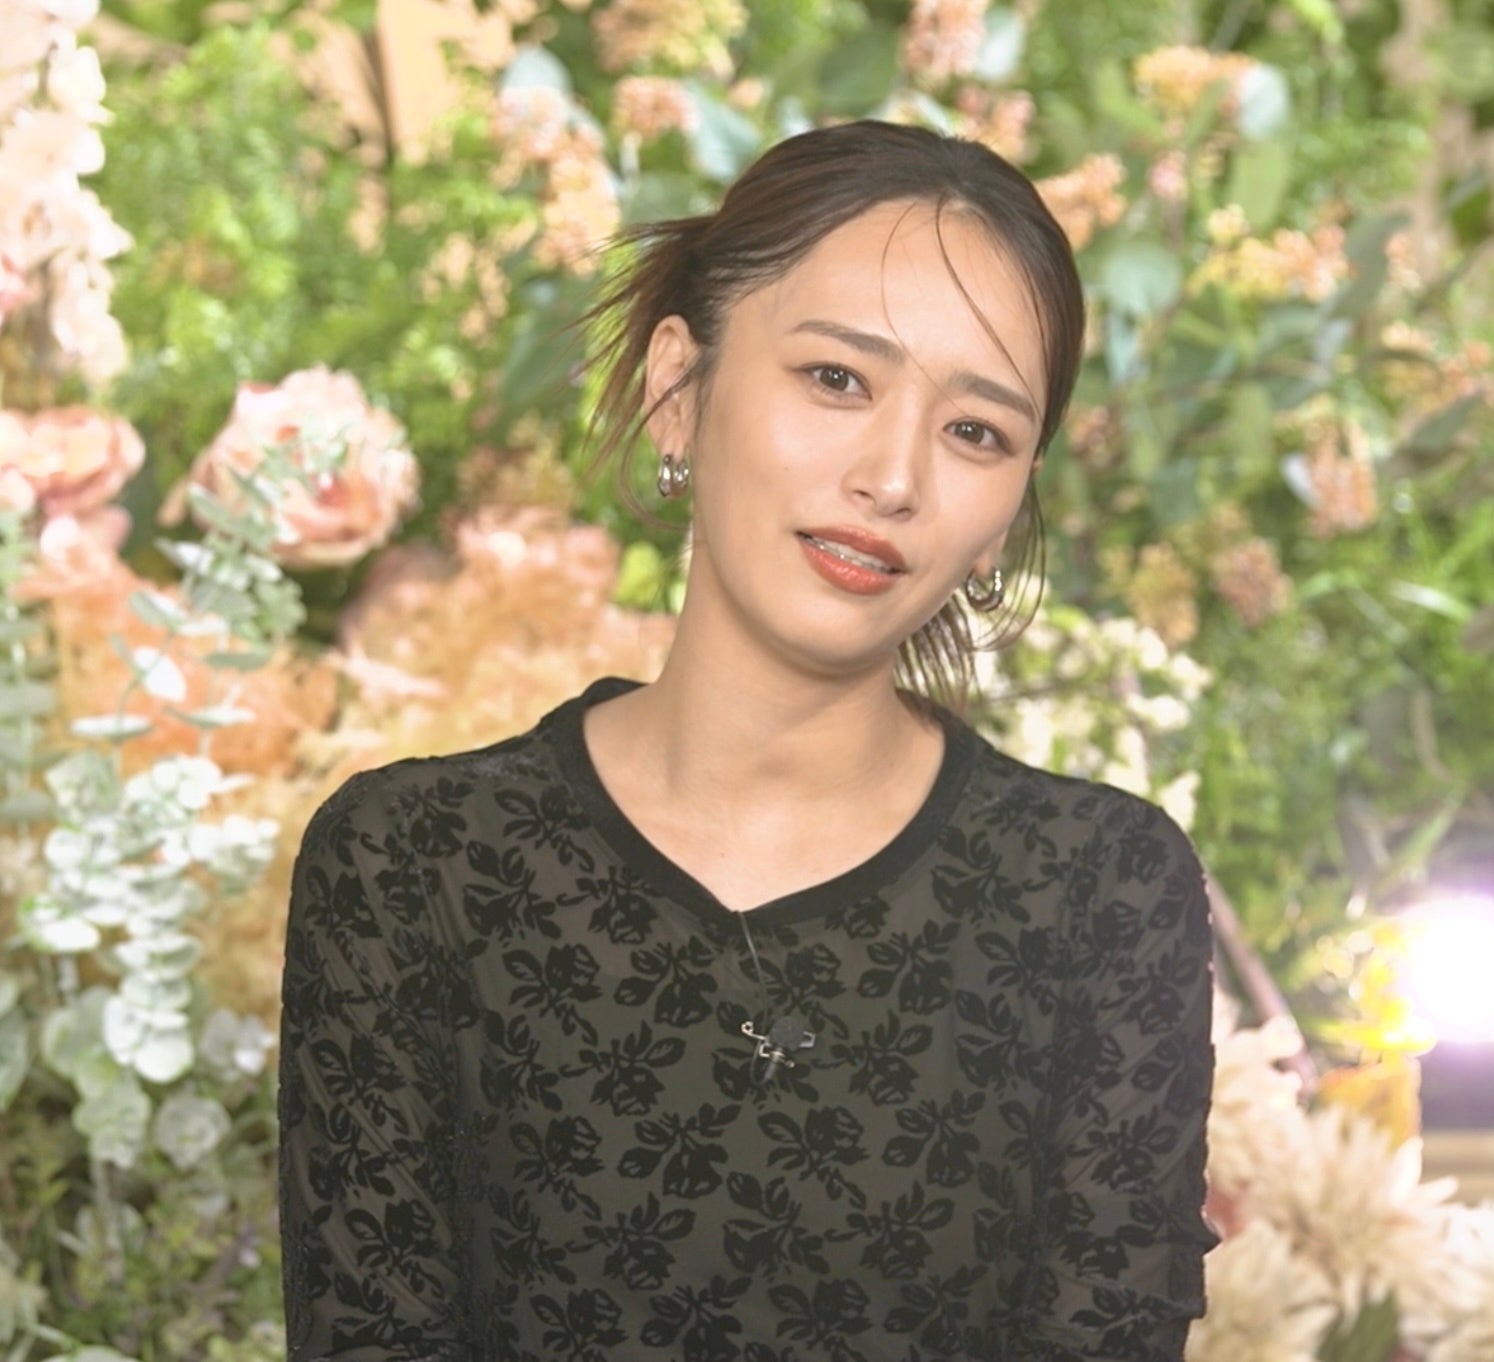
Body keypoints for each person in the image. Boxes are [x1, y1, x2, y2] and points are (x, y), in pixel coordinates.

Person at [277, 118, 1220, 1362]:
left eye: (975, 432)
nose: (892, 477)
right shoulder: (411, 864)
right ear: (678, 389)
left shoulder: (1101, 891)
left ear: (1004, 517)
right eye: (836, 379)